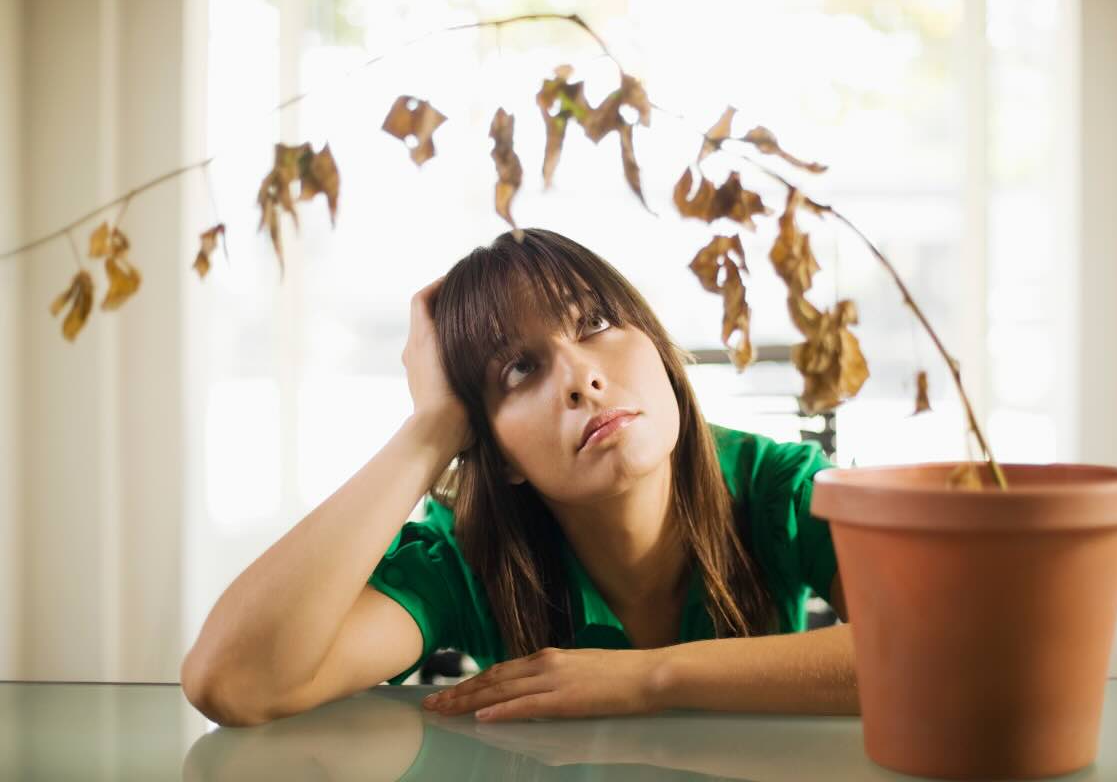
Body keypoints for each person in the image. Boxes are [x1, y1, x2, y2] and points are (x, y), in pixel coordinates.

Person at [180, 228, 857, 728]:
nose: (581, 378)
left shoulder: (779, 487)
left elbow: (935, 654)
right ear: (497, 452)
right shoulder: (470, 557)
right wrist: (431, 431)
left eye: (594, 322)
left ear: (653, 340)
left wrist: (649, 678)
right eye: (519, 370)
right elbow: (234, 682)